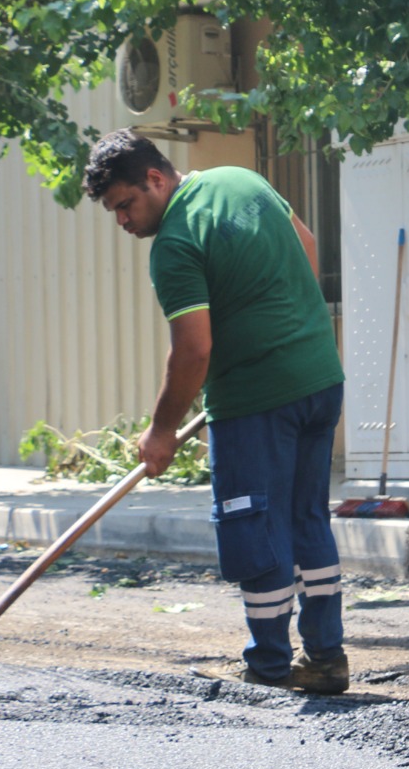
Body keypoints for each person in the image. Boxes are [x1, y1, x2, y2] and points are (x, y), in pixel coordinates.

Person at [84, 130, 350, 695]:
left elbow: (193, 350)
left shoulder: (175, 244)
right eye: (113, 212)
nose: (122, 222)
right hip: (320, 379)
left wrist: (160, 432)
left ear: (155, 179)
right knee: (306, 520)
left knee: (253, 525)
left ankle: (270, 666)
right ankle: (327, 658)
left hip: (256, 399)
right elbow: (306, 247)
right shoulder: (243, 179)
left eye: (125, 205)